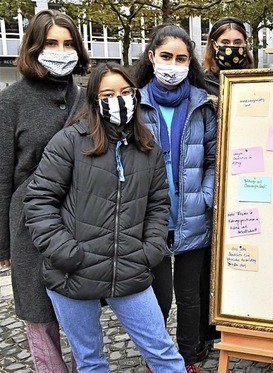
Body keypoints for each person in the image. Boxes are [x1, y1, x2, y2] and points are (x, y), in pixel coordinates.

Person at [22, 62, 185, 372]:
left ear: (136, 96)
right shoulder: (69, 141)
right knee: (90, 361)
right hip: (73, 272)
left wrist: (150, 250)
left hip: (130, 269)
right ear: (94, 99)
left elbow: (158, 204)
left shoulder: (148, 147)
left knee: (163, 353)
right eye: (108, 93)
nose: (118, 99)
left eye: (125, 92)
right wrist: (65, 252)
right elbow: (39, 200)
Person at [0, 9, 90, 372]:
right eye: (51, 42)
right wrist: (3, 244)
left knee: (82, 319)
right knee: (40, 319)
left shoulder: (85, 97)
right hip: (30, 227)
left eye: (68, 43)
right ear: (34, 47)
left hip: (83, 221)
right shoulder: (12, 101)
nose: (61, 50)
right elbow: (1, 175)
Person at [132, 24, 216, 373]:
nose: (173, 64)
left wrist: (206, 196)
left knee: (190, 297)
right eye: (166, 56)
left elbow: (213, 159)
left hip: (193, 215)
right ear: (151, 57)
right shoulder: (134, 102)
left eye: (181, 58)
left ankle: (190, 358)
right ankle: (158, 359)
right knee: (158, 298)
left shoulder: (202, 104)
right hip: (150, 220)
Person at [197, 16, 253, 357]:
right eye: (225, 42)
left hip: (248, 180)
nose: (231, 48)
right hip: (210, 179)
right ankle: (205, 331)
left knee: (242, 255)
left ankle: (240, 322)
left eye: (237, 43)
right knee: (207, 260)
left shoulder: (252, 80)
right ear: (212, 46)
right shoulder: (199, 84)